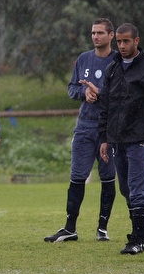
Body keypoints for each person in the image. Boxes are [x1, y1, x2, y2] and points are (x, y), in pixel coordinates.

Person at [44, 18, 117, 243]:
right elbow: (72, 88)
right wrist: (84, 93)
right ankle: (70, 228)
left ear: (111, 36)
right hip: (85, 128)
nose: (96, 37)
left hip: (110, 130)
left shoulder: (118, 61)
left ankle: (102, 228)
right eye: (93, 33)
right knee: (77, 176)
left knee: (108, 178)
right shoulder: (84, 59)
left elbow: (124, 93)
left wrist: (101, 93)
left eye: (100, 33)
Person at [98, 23, 144, 254]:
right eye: (119, 42)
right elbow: (106, 105)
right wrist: (104, 137)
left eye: (126, 41)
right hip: (116, 139)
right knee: (125, 188)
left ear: (137, 41)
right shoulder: (112, 69)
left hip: (140, 139)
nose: (122, 46)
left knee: (137, 188)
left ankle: (136, 239)